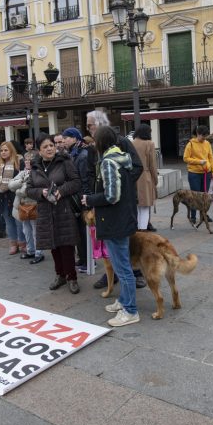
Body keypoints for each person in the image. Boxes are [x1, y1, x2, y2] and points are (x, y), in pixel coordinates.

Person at [83, 125, 140, 327]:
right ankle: (124, 301)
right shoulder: (121, 157)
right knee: (121, 265)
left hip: (115, 221)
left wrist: (89, 199)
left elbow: (111, 196)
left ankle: (130, 310)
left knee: (122, 268)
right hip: (122, 218)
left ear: (100, 143)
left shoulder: (108, 162)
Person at [85, 110, 145, 290]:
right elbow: (92, 174)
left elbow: (137, 167)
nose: (88, 129)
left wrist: (122, 185)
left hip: (121, 203)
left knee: (124, 240)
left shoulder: (122, 142)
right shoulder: (93, 148)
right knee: (109, 244)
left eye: (90, 125)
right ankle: (112, 273)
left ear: (100, 124)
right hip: (103, 204)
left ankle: (135, 273)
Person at [27, 133, 82, 293]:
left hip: (63, 209)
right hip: (45, 211)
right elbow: (29, 189)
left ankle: (72, 277)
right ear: (39, 151)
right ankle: (60, 275)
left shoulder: (64, 161)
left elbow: (76, 182)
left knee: (66, 245)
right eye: (45, 147)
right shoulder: (35, 166)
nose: (50, 148)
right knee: (53, 246)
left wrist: (61, 191)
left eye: (51, 145)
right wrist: (41, 193)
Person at [61, 127, 90, 270]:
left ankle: (88, 261)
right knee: (77, 230)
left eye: (66, 137)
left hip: (80, 198)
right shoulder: (71, 153)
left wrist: (83, 200)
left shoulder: (82, 155)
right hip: (74, 197)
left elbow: (84, 180)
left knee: (83, 231)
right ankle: (83, 258)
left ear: (75, 138)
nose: (64, 140)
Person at [0, 141, 26, 254]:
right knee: (8, 221)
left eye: (6, 150)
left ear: (11, 150)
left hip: (15, 197)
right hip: (1, 198)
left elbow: (24, 177)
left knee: (19, 220)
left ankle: (22, 243)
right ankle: (13, 243)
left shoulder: (19, 162)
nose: (3, 152)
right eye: (1, 150)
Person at [9, 152, 44, 264]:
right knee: (26, 230)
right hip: (23, 206)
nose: (28, 161)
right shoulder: (22, 172)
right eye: (26, 159)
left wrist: (19, 189)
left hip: (34, 205)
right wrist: (21, 181)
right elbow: (10, 184)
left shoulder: (38, 172)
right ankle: (30, 250)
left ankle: (39, 253)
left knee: (35, 230)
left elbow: (26, 191)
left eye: (30, 159)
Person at [183, 125, 213, 224]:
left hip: (207, 173)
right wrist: (199, 162)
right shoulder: (190, 144)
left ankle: (203, 215)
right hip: (194, 174)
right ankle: (193, 216)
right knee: (194, 195)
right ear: (198, 134)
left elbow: (211, 158)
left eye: (206, 136)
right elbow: (186, 158)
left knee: (204, 195)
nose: (204, 138)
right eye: (203, 136)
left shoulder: (207, 144)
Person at [132, 124, 158, 231]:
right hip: (145, 177)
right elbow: (152, 165)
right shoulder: (149, 144)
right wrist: (155, 180)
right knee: (145, 208)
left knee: (137, 207)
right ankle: (143, 231)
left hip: (133, 177)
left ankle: (137, 230)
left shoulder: (131, 143)